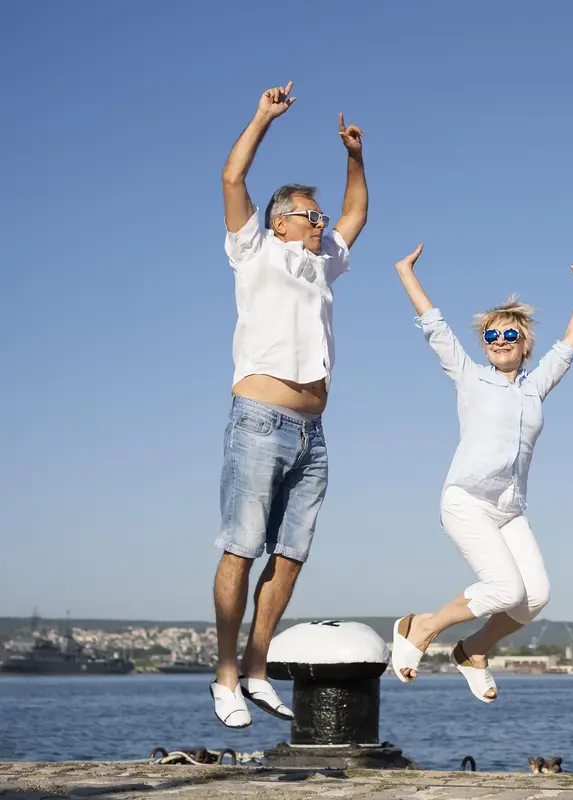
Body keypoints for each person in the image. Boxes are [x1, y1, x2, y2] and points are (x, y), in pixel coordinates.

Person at [210, 81, 368, 728]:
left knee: (292, 553)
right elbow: (232, 175)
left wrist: (355, 156)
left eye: (320, 218)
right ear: (281, 221)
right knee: (241, 546)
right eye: (311, 216)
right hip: (259, 420)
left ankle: (255, 667)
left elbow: (357, 213)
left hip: (313, 429)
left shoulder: (322, 260)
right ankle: (224, 673)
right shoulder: (255, 250)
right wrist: (262, 116)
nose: (322, 223)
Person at [388, 242, 573, 703]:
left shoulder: (536, 386)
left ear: (525, 345)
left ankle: (473, 650)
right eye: (492, 337)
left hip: (509, 507)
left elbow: (570, 344)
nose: (500, 343)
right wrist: (406, 271)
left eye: (509, 336)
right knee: (504, 588)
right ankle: (420, 627)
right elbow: (435, 326)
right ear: (484, 345)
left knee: (536, 596)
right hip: (466, 499)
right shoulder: (469, 375)